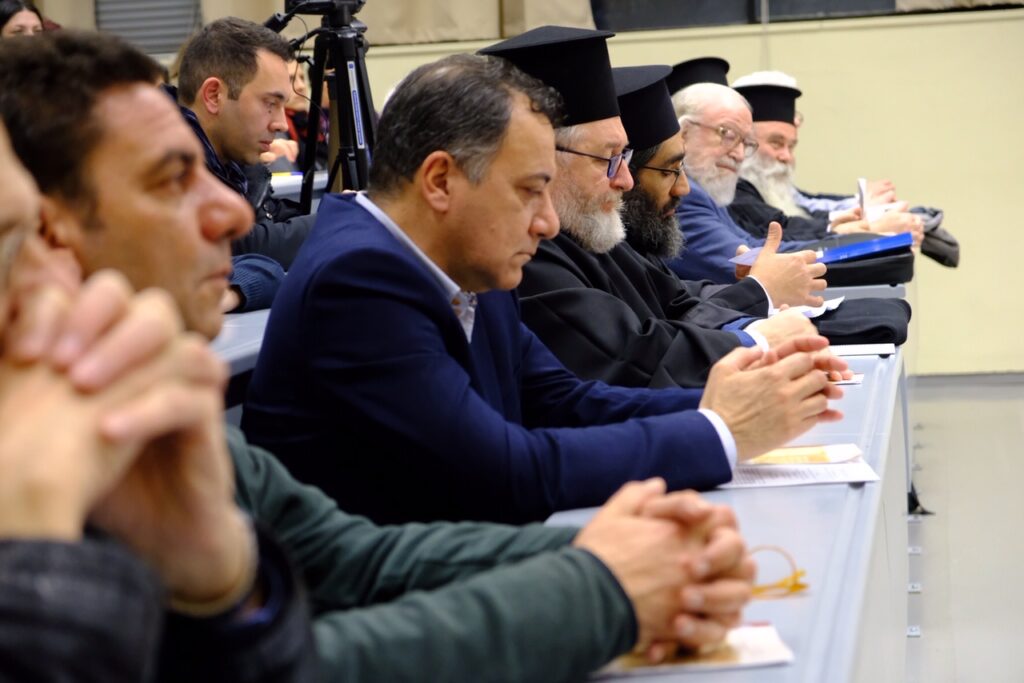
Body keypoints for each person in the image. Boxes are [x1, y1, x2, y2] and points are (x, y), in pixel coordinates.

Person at [0, 28, 763, 681]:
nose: (233, 209)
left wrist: (627, 555)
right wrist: (603, 583)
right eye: (172, 179)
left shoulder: (143, 408)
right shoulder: (361, 276)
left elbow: (348, 557)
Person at [244, 34, 849, 525]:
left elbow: (561, 400)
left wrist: (731, 400)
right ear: (440, 181)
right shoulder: (361, 280)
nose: (550, 221)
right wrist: (717, 432)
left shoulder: (463, 257)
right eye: (531, 190)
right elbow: (502, 471)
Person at [0, 120, 315, 679]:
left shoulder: (146, 435)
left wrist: (224, 599)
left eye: (35, 234)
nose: (61, 281)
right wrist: (36, 571)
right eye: (9, 247)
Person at [501, 52, 821, 389]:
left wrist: (756, 303)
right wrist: (759, 324)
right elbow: (631, 358)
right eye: (608, 159)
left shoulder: (591, 231)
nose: (625, 181)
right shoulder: (530, 255)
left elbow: (677, 300)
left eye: (623, 157)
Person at [174, 16, 316, 270]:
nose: (282, 124)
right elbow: (237, 245)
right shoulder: (162, 166)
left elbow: (270, 222)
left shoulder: (236, 164)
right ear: (214, 95)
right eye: (270, 104)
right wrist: (335, 222)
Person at [729, 78, 924, 244]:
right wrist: (865, 228)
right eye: (776, 143)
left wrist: (861, 209)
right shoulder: (730, 189)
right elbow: (781, 230)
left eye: (791, 146)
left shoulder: (769, 186)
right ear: (745, 141)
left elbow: (803, 210)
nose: (786, 156)